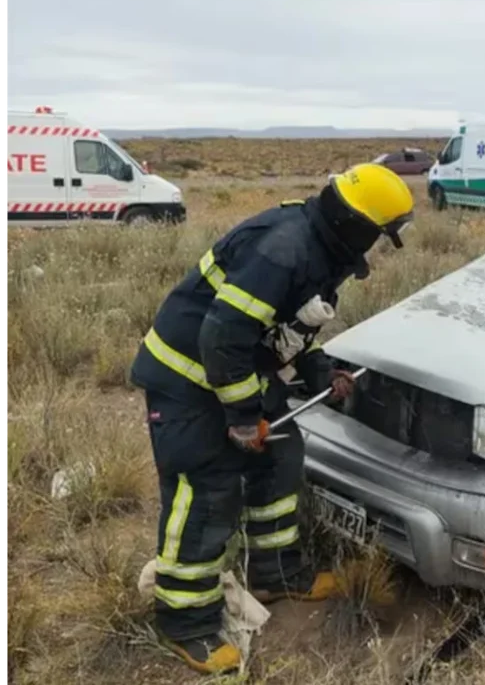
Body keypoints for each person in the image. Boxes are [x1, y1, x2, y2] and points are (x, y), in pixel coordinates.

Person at [128, 163, 414, 674]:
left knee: (281, 453)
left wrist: (323, 370)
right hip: (188, 381)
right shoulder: (282, 251)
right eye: (378, 235)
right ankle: (185, 623)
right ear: (358, 224)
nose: (376, 248)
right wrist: (241, 419)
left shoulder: (321, 249)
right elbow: (222, 337)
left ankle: (278, 573)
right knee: (208, 491)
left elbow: (284, 328)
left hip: (234, 373)